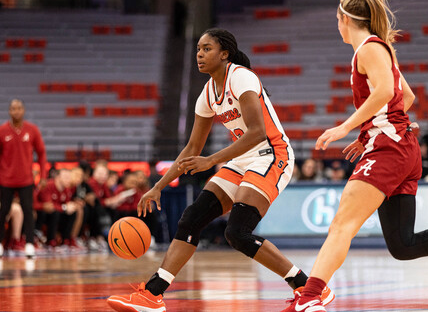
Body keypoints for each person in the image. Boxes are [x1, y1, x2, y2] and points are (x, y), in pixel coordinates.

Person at [286, 0, 428, 311]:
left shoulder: (367, 49)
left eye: (336, 19)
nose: (336, 25)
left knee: (342, 225)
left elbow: (383, 93)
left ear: (345, 19)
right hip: (399, 147)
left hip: (390, 150)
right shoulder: (381, 50)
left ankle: (310, 297)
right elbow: (405, 99)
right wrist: (369, 131)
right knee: (403, 245)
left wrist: (345, 127)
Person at [107, 27, 334, 312]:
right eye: (198, 49)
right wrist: (157, 186)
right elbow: (191, 149)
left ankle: (308, 287)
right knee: (191, 218)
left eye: (207, 49)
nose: (199, 54)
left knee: (238, 233)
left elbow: (257, 133)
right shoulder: (207, 93)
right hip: (242, 159)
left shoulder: (241, 77)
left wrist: (211, 160)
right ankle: (152, 295)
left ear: (224, 53)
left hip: (271, 153)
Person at [0, 99, 47, 258]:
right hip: (6, 179)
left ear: (24, 110)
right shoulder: (1, 131)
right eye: (13, 108)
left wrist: (43, 175)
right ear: (9, 111)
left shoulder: (32, 130)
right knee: (3, 210)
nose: (16, 111)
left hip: (26, 179)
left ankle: (29, 243)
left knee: (28, 211)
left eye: (19, 108)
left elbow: (41, 153)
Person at [34, 169, 77, 250]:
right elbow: (48, 206)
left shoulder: (66, 189)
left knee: (73, 212)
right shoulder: (48, 185)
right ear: (57, 177)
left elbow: (66, 204)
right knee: (55, 213)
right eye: (66, 177)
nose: (68, 180)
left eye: (69, 177)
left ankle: (66, 241)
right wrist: (64, 207)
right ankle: (50, 241)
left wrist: (71, 206)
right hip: (42, 213)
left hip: (56, 213)